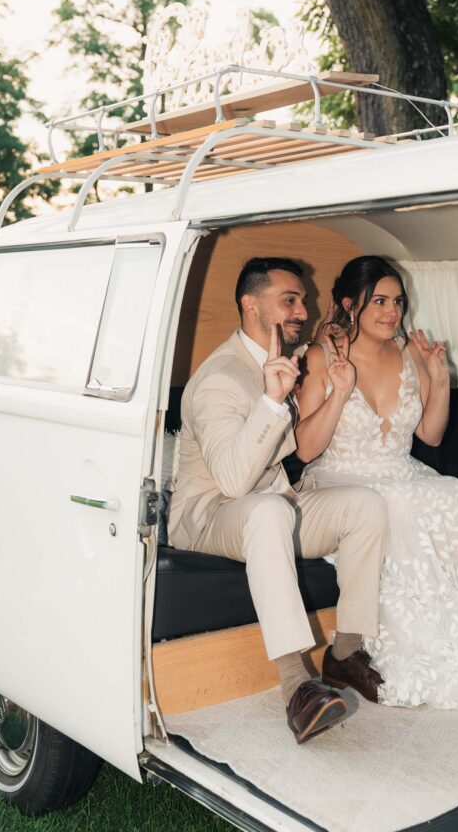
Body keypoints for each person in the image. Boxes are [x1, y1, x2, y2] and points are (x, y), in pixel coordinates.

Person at [168, 257, 389, 743]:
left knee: (366, 505)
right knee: (269, 512)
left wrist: (333, 383)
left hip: (272, 501)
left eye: (303, 301)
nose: (302, 311)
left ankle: (345, 652)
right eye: (289, 301)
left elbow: (297, 451)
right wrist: (271, 401)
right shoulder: (219, 377)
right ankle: (296, 685)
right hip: (210, 514)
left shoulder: (278, 362)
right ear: (250, 306)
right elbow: (232, 481)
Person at [296, 256, 458, 712]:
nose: (392, 312)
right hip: (340, 475)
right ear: (350, 305)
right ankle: (425, 648)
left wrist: (439, 380)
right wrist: (340, 393)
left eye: (397, 302)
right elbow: (304, 449)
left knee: (454, 493)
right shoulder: (323, 356)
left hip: (401, 470)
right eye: (379, 301)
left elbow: (430, 435)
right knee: (406, 503)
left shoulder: (409, 352)